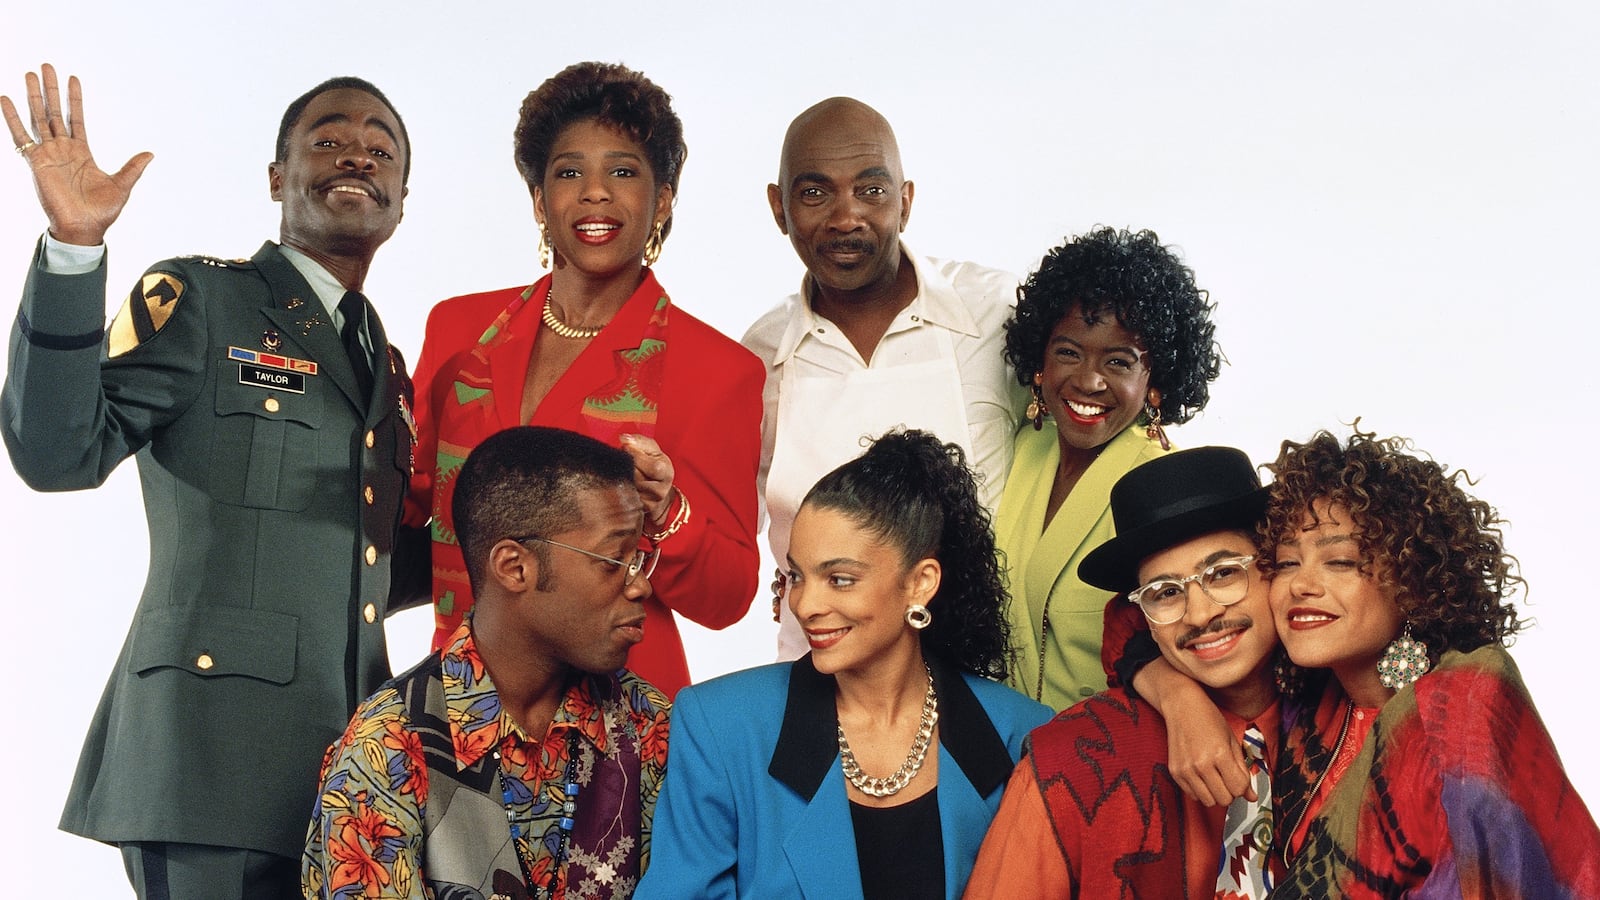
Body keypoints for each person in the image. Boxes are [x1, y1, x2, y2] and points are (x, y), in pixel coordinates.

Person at [2, 65, 414, 898]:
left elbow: (370, 564)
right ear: (276, 177)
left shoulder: (386, 365)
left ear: (404, 197)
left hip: (346, 774)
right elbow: (57, 453)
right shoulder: (200, 298)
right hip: (205, 758)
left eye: (381, 149)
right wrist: (76, 249)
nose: (357, 157)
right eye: (328, 139)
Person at [405, 61, 762, 696]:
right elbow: (413, 507)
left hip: (623, 717)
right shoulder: (459, 330)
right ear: (540, 200)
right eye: (569, 172)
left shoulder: (719, 370)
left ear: (663, 200)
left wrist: (667, 512)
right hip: (461, 701)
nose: (595, 193)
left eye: (623, 171)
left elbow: (728, 596)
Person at [636, 430, 1051, 900]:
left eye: (840, 579)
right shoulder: (720, 726)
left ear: (920, 584)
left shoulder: (1022, 736)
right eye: (796, 575)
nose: (806, 604)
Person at [303, 426, 671, 900]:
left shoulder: (649, 725)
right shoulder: (387, 749)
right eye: (612, 560)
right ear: (515, 567)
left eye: (639, 560)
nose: (639, 586)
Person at [1263, 428, 1600, 897]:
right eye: (1285, 563)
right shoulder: (1299, 715)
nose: (1302, 585)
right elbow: (1138, 629)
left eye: (1339, 561)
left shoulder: (1463, 706)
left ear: (1414, 579)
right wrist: (1168, 689)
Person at [743, 97, 1024, 660]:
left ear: (906, 200)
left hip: (991, 672)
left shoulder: (997, 313)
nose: (846, 218)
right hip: (816, 681)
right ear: (779, 208)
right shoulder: (757, 358)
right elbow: (729, 538)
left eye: (871, 190)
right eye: (815, 193)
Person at [966, 446, 1283, 899]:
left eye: (1222, 573)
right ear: (1142, 613)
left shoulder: (1345, 716)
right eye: (1165, 592)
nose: (1199, 614)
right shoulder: (1068, 758)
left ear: (1276, 567)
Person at [994, 226, 1220, 709]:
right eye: (1068, 352)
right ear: (1040, 362)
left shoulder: (1167, 490)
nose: (1089, 380)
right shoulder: (1021, 449)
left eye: (1118, 362)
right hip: (994, 747)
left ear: (1154, 382)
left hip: (1102, 761)